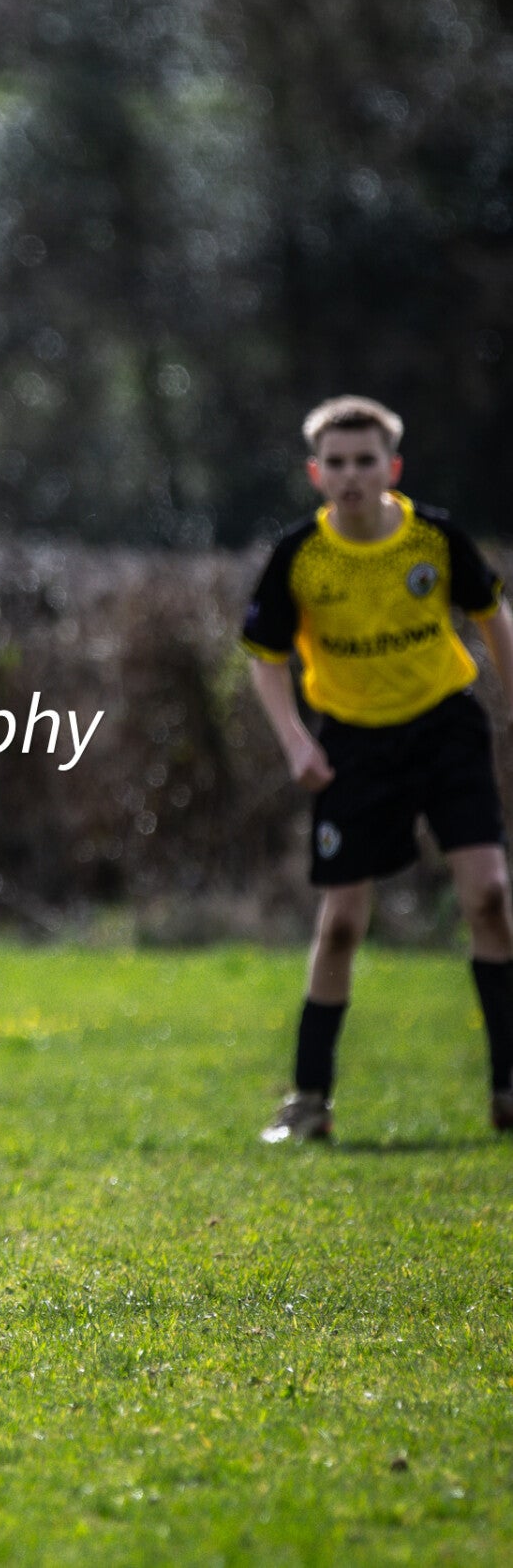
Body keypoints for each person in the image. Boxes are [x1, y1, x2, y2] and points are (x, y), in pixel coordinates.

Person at [243, 395, 513, 1143]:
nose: (351, 474)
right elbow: (264, 661)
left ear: (391, 469)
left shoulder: (433, 538)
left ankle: (506, 1086)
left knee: (489, 897)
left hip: (445, 728)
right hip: (354, 745)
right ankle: (308, 1102)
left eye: (365, 461)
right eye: (336, 462)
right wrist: (297, 742)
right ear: (314, 473)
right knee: (339, 927)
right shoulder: (298, 556)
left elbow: (492, 612)